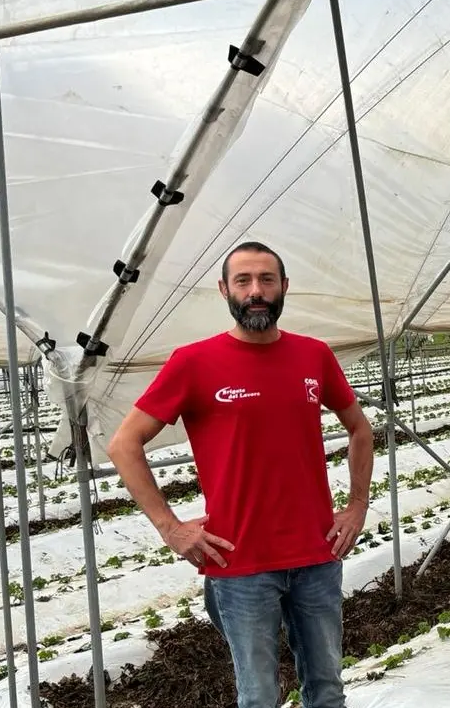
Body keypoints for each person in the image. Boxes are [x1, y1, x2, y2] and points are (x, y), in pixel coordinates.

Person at [108, 242, 375, 708]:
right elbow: (123, 445)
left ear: (284, 287)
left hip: (316, 554)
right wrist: (171, 528)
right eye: (244, 281)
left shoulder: (314, 356)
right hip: (240, 563)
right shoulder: (193, 362)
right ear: (224, 290)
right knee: (258, 695)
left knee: (328, 689)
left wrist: (356, 506)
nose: (257, 291)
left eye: (267, 280)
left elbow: (360, 429)